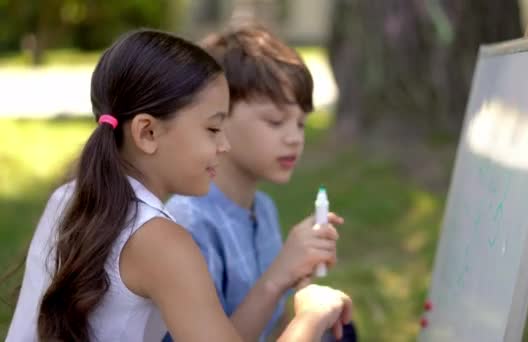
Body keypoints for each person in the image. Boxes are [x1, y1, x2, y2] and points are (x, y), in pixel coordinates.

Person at [5, 29, 352, 342]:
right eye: (213, 129)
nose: (224, 145)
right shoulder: (162, 241)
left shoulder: (70, 196)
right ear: (148, 132)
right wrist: (311, 315)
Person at [165, 25, 357, 342]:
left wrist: (301, 289)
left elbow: (272, 330)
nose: (294, 137)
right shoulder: (190, 222)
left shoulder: (262, 209)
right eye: (275, 121)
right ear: (218, 117)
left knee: (339, 330)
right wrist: (279, 275)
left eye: (301, 123)